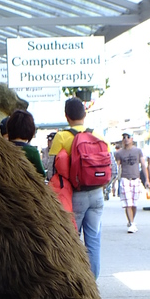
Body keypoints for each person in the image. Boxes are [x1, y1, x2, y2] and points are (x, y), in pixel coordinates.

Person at [48, 97, 104, 276]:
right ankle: (93, 282)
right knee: (93, 241)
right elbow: (112, 167)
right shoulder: (98, 134)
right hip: (97, 195)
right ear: (84, 114)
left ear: (66, 116)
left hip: (74, 195)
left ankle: (77, 281)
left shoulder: (62, 136)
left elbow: (51, 168)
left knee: (72, 241)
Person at [115, 131, 147, 233]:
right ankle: (132, 224)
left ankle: (131, 220)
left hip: (135, 179)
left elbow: (143, 165)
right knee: (128, 203)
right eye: (124, 137)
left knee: (134, 203)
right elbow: (117, 167)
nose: (126, 139)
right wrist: (114, 182)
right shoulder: (119, 153)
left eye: (128, 137)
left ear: (132, 138)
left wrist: (147, 180)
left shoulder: (138, 151)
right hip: (125, 179)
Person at [6, 109, 45, 177]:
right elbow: (41, 175)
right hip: (27, 187)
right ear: (30, 130)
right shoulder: (32, 151)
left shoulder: (3, 148)